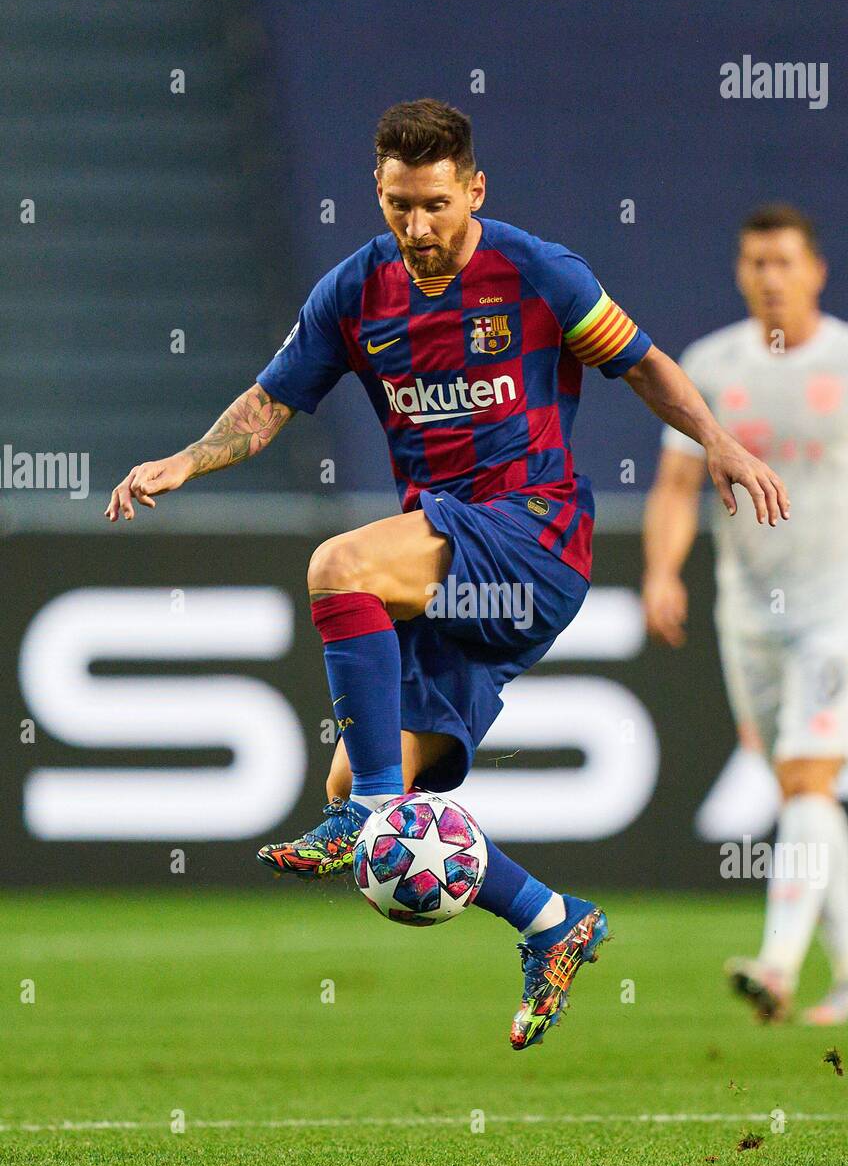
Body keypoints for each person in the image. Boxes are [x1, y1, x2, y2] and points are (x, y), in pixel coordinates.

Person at [106, 101, 787, 1048]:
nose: (416, 228)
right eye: (396, 207)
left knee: (339, 568)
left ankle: (380, 810)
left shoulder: (538, 272)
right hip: (447, 563)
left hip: (531, 537)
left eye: (432, 205)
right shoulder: (355, 292)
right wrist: (186, 460)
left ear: (473, 188)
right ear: (377, 194)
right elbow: (272, 399)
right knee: (357, 782)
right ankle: (551, 919)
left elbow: (640, 365)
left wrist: (715, 441)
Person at [643, 203, 848, 1025]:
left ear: (815, 270)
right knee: (799, 789)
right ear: (739, 272)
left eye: (784, 261)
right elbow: (677, 486)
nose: (769, 277)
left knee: (809, 775)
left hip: (840, 599)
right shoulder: (707, 368)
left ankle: (778, 965)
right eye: (754, 263)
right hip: (748, 608)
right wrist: (661, 570)